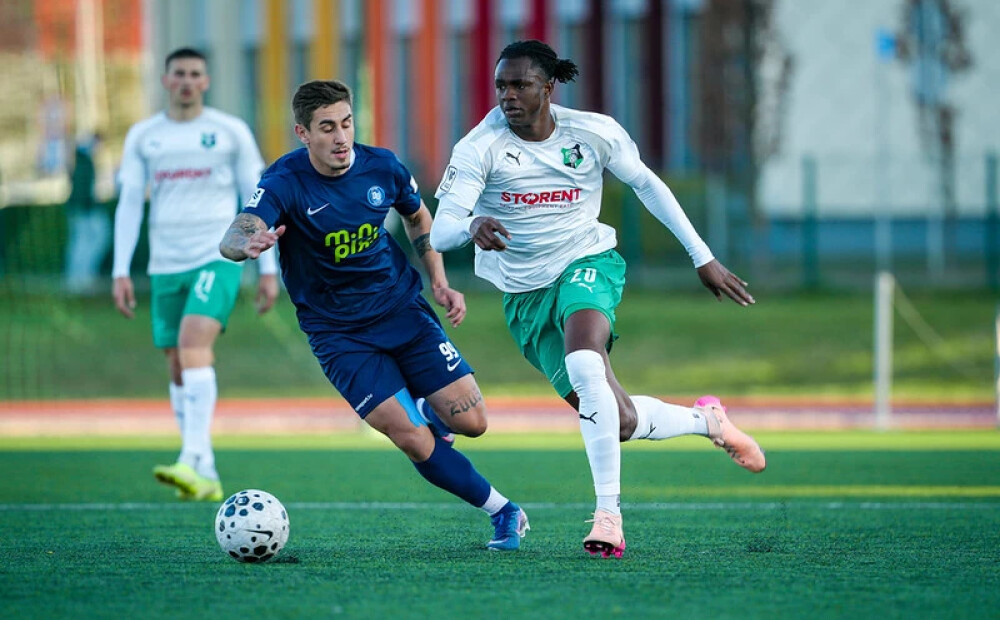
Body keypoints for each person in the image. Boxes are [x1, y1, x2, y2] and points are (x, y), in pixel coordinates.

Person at [430, 40, 766, 559]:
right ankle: (708, 422)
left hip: (587, 262)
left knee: (585, 361)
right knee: (618, 418)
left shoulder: (593, 132)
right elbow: (442, 230)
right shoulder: (480, 147)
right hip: (525, 296)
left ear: (548, 88)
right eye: (501, 86)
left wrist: (703, 257)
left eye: (520, 85)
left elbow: (648, 185)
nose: (507, 96)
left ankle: (608, 516)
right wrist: (472, 224)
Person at [218, 79, 529, 551]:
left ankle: (426, 409)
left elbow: (417, 216)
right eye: (327, 127)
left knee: (473, 422)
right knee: (412, 438)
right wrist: (247, 243)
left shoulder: (382, 166)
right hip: (338, 333)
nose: (341, 137)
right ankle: (504, 512)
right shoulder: (283, 182)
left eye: (346, 123)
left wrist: (439, 281)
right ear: (303, 133)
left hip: (401, 309)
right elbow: (235, 234)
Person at [112, 47, 279, 502]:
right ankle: (205, 472)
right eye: (179, 74)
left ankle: (189, 456)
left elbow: (258, 198)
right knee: (176, 361)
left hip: (217, 256)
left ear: (206, 82)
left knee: (192, 344)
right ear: (166, 80)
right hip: (165, 264)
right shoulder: (145, 136)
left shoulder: (230, 132)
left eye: (195, 74)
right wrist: (120, 269)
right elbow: (130, 202)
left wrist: (268, 268)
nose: (187, 81)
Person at [64, 132, 110, 294]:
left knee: (81, 243)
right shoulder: (85, 161)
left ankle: (80, 278)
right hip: (84, 209)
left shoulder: (83, 160)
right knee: (82, 244)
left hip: (82, 209)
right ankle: (80, 279)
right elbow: (83, 189)